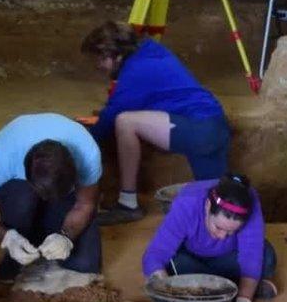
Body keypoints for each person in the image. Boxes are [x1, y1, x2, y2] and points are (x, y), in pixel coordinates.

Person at [81, 21, 231, 225]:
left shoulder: (135, 71)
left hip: (198, 130)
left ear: (114, 55)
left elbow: (110, 118)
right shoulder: (151, 50)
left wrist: (80, 140)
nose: (98, 66)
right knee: (220, 200)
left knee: (125, 121)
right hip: (213, 125)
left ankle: (128, 204)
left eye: (100, 59)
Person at [0, 113, 103, 280]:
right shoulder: (4, 154)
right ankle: (20, 245)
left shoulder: (87, 153)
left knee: (84, 265)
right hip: (21, 196)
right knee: (20, 196)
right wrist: (7, 237)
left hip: (65, 202)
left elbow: (85, 204)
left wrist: (66, 236)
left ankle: (44, 237)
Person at [142, 174, 277, 302]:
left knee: (266, 255)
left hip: (228, 257)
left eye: (231, 231)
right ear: (207, 206)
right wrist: (168, 297)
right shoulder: (187, 202)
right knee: (172, 263)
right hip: (192, 259)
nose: (222, 236)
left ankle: (225, 290)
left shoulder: (250, 203)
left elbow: (251, 253)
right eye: (218, 227)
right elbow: (154, 256)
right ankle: (232, 287)